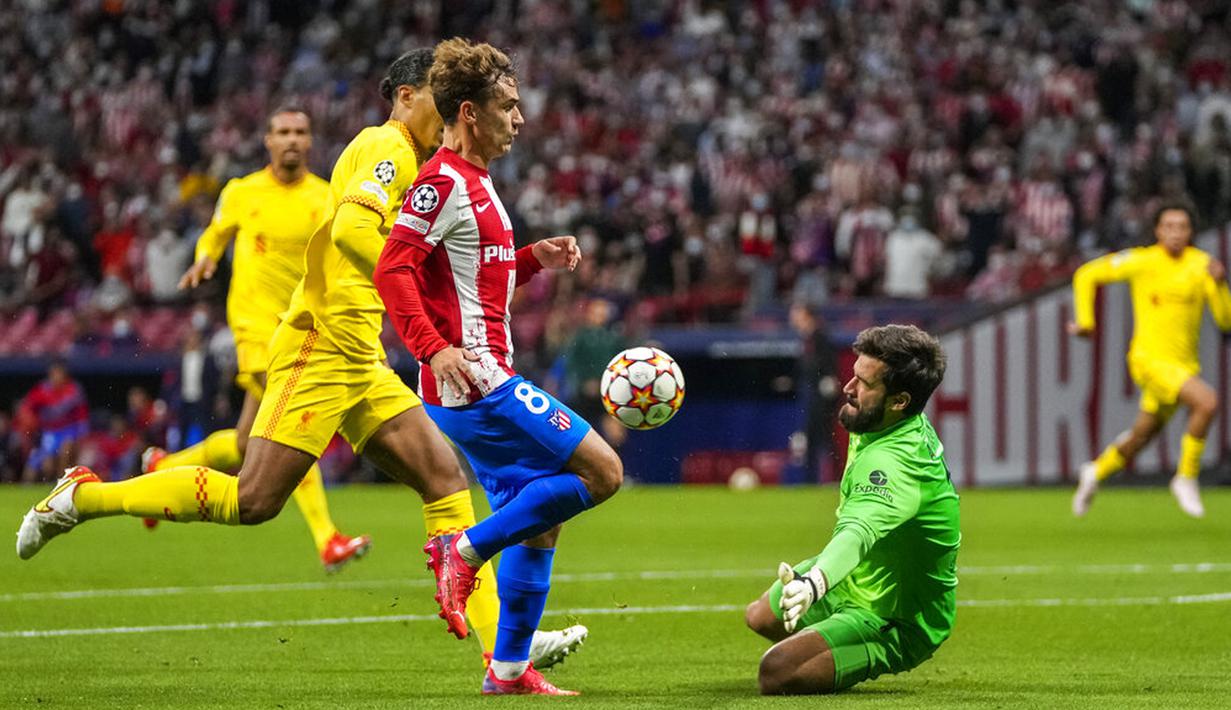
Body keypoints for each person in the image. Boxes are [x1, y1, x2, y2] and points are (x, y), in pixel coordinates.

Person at [16, 48, 585, 669]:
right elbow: (350, 233)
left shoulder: (420, 166)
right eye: (435, 97)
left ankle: (503, 651)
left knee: (443, 480)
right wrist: (416, 298)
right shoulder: (386, 147)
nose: (446, 111)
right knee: (254, 501)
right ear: (404, 97)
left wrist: (520, 261)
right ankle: (83, 497)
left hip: (359, 354)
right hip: (319, 345)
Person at [373, 38, 623, 696]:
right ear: (469, 112)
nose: (520, 118)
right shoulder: (440, 183)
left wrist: (533, 258)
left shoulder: (479, 184)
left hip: (480, 374)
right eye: (508, 106)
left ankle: (508, 670)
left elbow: (476, 285)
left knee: (541, 518)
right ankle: (464, 549)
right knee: (602, 472)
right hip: (474, 381)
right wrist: (432, 347)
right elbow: (390, 269)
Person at [140, 105, 371, 573]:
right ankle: (327, 538)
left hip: (304, 328)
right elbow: (214, 234)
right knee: (293, 427)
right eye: (282, 131)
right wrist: (205, 258)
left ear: (310, 142)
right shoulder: (242, 192)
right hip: (256, 330)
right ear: (267, 140)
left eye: (300, 132)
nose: (291, 139)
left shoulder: (327, 197)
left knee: (250, 442)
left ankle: (162, 469)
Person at [744, 324, 959, 695]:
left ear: (900, 400)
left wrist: (814, 584)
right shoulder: (882, 419)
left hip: (895, 614)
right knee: (760, 617)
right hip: (859, 576)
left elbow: (857, 534)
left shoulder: (894, 463)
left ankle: (864, 646)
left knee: (776, 672)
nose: (848, 388)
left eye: (863, 383)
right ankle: (828, 641)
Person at [1070, 202, 1231, 518]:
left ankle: (1095, 471)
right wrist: (1086, 321)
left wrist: (1221, 284)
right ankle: (1185, 477)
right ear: (1157, 230)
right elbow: (1086, 274)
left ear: (1191, 232)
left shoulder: (1202, 266)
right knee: (1207, 402)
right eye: (1168, 226)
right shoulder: (1142, 261)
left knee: (1142, 436)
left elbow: (1225, 321)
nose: (1175, 233)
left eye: (1182, 227)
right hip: (1148, 360)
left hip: (1183, 365)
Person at [17, 359, 88, 483]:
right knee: (47, 465)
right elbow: (27, 407)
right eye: (54, 373)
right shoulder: (42, 390)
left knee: (66, 453)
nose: (56, 376)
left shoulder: (73, 389)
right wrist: (31, 424)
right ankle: (46, 484)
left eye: (59, 373)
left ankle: (62, 483)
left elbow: (82, 413)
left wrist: (82, 432)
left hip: (68, 429)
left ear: (64, 374)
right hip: (49, 431)